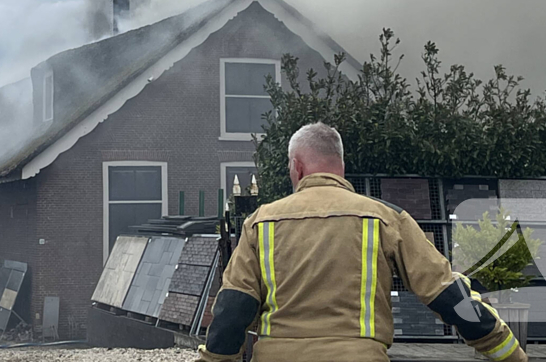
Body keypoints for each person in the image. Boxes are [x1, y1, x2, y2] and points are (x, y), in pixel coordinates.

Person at [196, 122, 527, 362]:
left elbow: (233, 309)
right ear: (341, 167)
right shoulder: (385, 218)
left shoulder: (261, 222)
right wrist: (508, 351)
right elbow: (446, 294)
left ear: (296, 167)